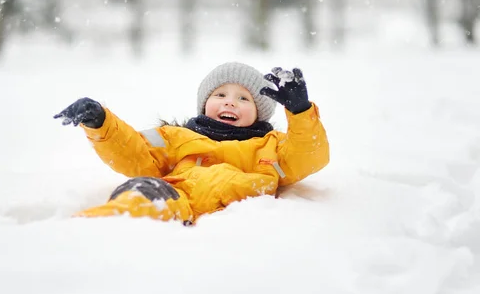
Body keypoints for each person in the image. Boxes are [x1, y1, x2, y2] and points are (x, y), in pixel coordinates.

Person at [54, 62, 329, 225]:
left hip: (242, 216)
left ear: (260, 113)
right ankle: (90, 228)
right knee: (140, 195)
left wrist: (301, 112)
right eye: (220, 94)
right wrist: (100, 121)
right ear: (204, 104)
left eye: (244, 98)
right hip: (179, 201)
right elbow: (134, 153)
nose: (230, 101)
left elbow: (308, 155)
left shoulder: (273, 147)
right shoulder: (176, 137)